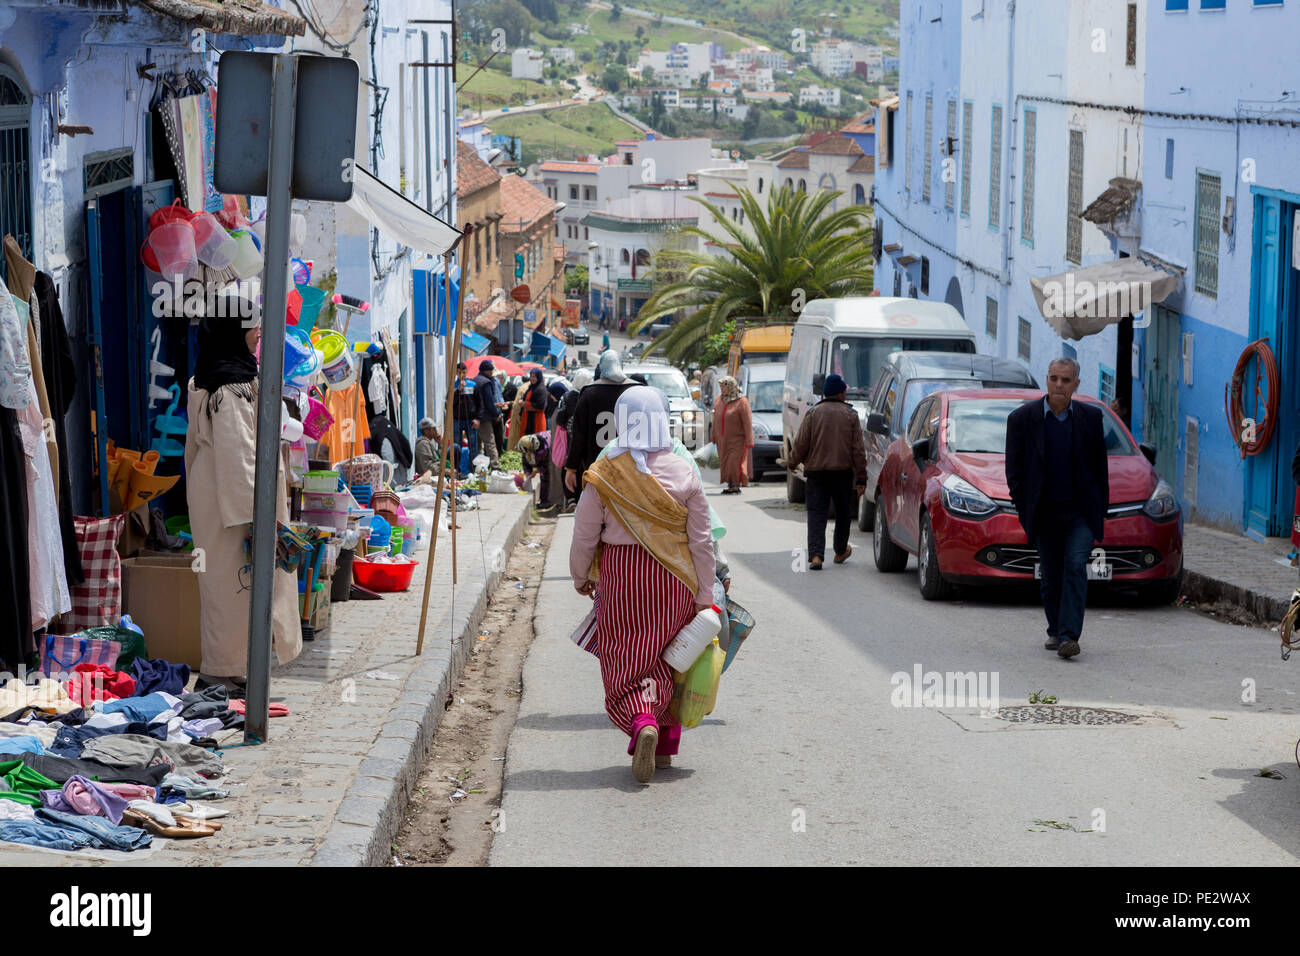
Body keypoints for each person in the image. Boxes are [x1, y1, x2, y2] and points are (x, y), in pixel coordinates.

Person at [569, 386, 716, 783]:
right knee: (671, 656)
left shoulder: (605, 473)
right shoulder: (685, 471)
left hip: (624, 577)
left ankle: (642, 719)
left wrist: (580, 575)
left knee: (627, 654)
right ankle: (665, 748)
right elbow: (702, 541)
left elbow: (585, 534)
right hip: (676, 580)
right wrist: (706, 595)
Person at [185, 303, 301, 691]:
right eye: (251, 327)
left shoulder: (216, 375)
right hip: (231, 500)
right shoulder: (230, 387)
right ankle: (221, 671)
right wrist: (257, 513)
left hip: (220, 494)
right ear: (232, 331)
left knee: (225, 585)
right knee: (232, 587)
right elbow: (238, 455)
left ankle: (229, 667)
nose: (257, 333)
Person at [1005, 357, 1109, 660]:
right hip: (1045, 514)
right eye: (1054, 378)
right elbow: (1015, 473)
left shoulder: (1091, 418)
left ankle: (1068, 636)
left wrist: (1099, 509)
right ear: (1047, 380)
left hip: (1080, 514)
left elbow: (1099, 469)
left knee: (1076, 566)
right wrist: (1025, 512)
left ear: (1076, 384)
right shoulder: (1023, 420)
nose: (1059, 385)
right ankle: (1055, 628)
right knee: (1051, 577)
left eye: (1066, 380)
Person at [787, 373, 867, 570]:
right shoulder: (851, 415)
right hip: (842, 473)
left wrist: (792, 462)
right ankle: (840, 551)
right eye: (845, 390)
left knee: (816, 514)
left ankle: (816, 556)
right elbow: (858, 449)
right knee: (842, 513)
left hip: (816, 473)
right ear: (840, 393)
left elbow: (801, 443)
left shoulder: (813, 414)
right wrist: (862, 478)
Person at [564, 350, 634, 493]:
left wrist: (571, 467)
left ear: (601, 367)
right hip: (630, 467)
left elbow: (579, 435)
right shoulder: (635, 390)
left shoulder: (589, 393)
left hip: (596, 467)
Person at [712, 375, 754, 494]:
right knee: (725, 462)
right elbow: (715, 419)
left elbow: (747, 422)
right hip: (722, 440)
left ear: (731, 387)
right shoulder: (719, 400)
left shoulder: (742, 402)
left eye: (723, 387)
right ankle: (730, 484)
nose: (722, 389)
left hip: (737, 440)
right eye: (720, 387)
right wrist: (714, 435)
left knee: (734, 462)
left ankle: (735, 485)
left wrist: (749, 440)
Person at [474, 360, 507, 468]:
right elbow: (489, 402)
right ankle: (495, 465)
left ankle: (477, 465)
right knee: (490, 442)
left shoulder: (474, 380)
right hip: (484, 418)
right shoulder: (486, 383)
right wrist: (496, 413)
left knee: (477, 444)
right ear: (488, 371)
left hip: (474, 417)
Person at [369, 412, 412, 485]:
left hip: (391, 472)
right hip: (397, 470)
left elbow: (388, 461)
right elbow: (406, 445)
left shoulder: (377, 429)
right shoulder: (387, 426)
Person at [452, 361, 479, 467]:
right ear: (456, 373)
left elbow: (479, 403)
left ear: (466, 372)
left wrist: (478, 418)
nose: (461, 374)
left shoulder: (473, 385)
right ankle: (457, 469)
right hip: (457, 419)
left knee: (473, 445)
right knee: (456, 445)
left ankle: (474, 467)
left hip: (470, 419)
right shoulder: (453, 385)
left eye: (463, 371)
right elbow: (450, 403)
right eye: (459, 372)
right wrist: (458, 390)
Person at [520, 368, 549, 436]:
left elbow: (541, 405)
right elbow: (525, 397)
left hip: (537, 420)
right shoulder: (531, 387)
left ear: (539, 377)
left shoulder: (541, 389)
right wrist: (522, 401)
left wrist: (525, 404)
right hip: (528, 420)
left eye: (534, 376)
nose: (532, 378)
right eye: (531, 376)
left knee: (536, 442)